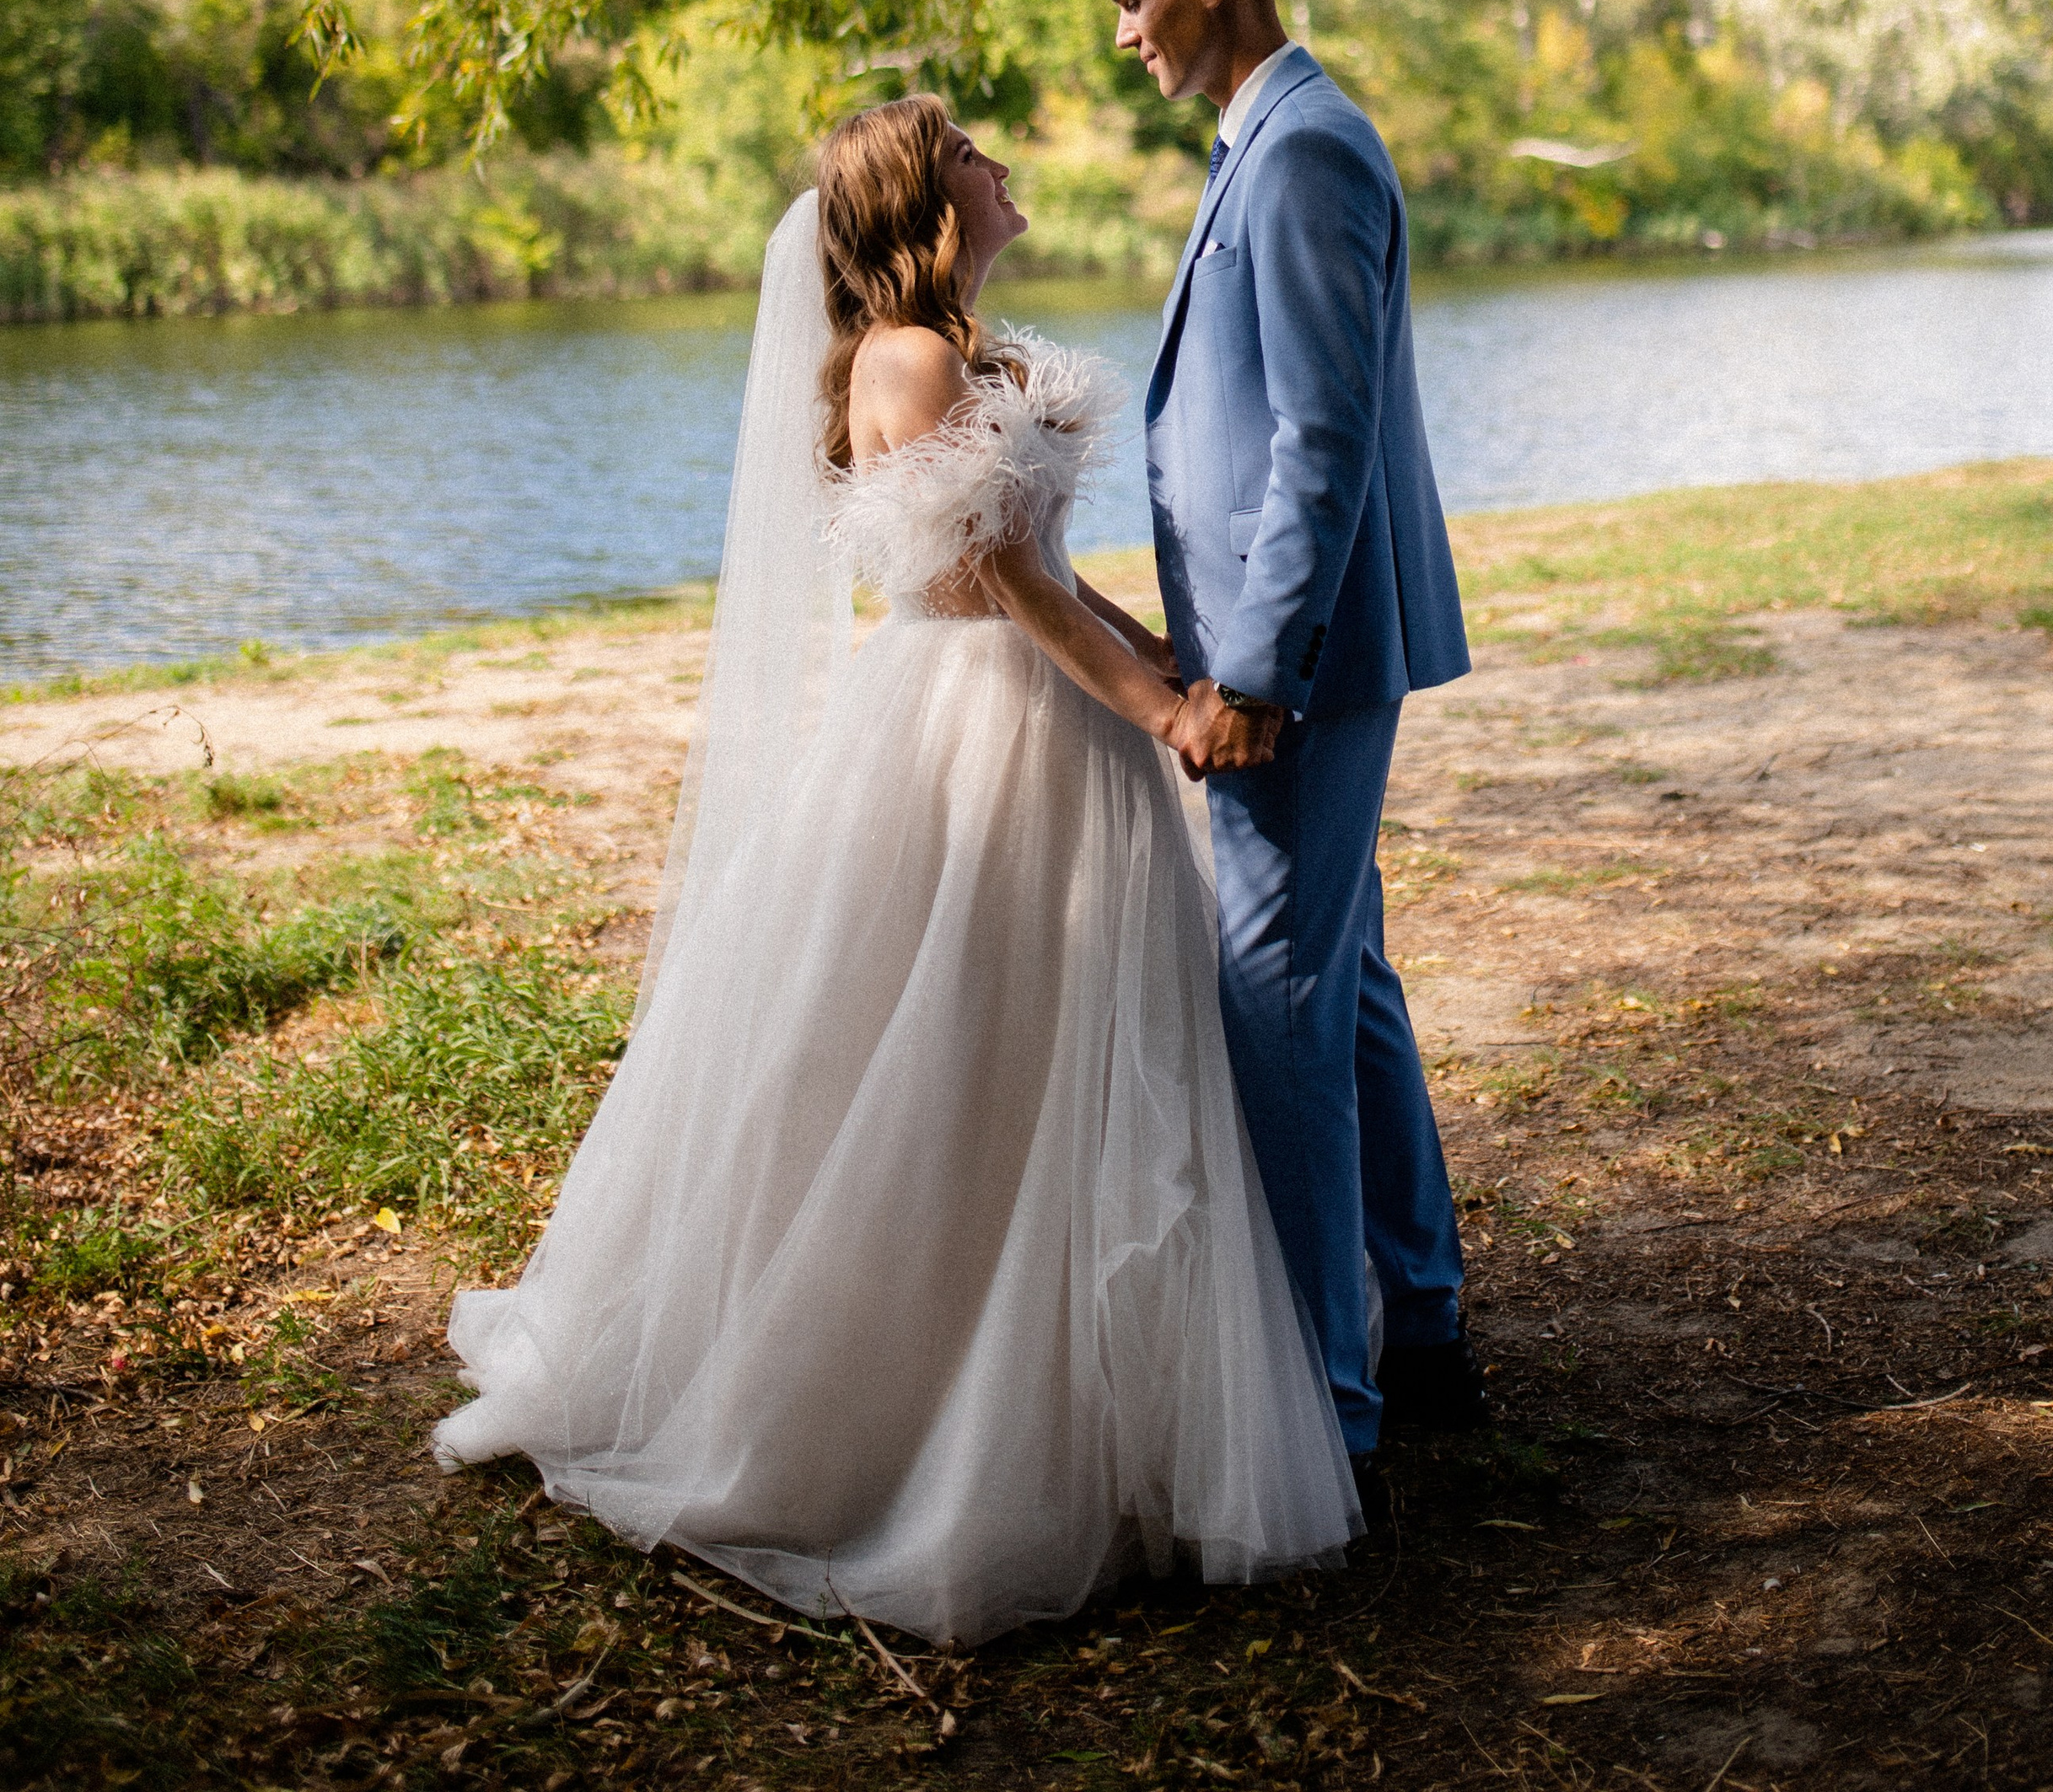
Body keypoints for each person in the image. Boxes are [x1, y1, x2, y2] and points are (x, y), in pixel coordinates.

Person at [433, 94, 1360, 1647]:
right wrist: (1161, 714)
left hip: (1044, 706)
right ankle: (906, 1405)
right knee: (947, 1047)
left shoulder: (964, 344)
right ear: (929, 198)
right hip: (970, 727)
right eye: (975, 154)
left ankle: (1069, 1397)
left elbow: (1051, 573)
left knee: (1042, 1049)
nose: (1005, 165)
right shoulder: (911, 357)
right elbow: (995, 583)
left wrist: (1179, 662)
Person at [1108, 0, 1485, 1465]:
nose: (1123, 32)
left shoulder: (1308, 145)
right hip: (1292, 649)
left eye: (1135, 0)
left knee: (1278, 995)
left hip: (1301, 666)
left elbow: (1322, 440)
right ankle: (1420, 1319)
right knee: (1354, 985)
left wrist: (1252, 670)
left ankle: (1331, 1401)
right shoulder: (1265, 137)